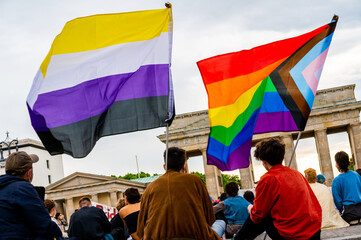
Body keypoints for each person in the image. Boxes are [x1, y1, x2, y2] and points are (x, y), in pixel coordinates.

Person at [234, 138, 321, 240]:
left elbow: (257, 216)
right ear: (283, 157)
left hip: (292, 235)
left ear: (264, 162)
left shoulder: (267, 179)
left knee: (260, 216)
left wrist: (250, 209)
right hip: (313, 231)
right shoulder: (297, 174)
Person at [137, 147, 221, 240]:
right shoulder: (196, 181)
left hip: (156, 237)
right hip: (195, 236)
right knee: (220, 223)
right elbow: (210, 218)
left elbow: (140, 228)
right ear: (185, 166)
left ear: (164, 167)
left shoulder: (151, 187)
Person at [0, 151, 62, 239]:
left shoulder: (3, 187)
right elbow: (44, 226)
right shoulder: (23, 188)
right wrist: (59, 234)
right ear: (29, 172)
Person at [332, 151, 361, 223]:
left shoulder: (336, 181)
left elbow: (338, 202)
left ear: (337, 164)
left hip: (349, 212)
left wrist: (343, 210)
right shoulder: (356, 175)